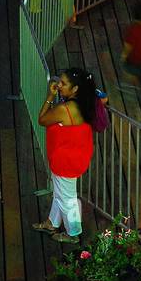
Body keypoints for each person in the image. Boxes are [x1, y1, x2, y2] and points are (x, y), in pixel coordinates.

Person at [33, 69, 97, 243]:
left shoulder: (64, 109)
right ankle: (51, 223)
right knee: (61, 193)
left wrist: (49, 96)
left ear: (75, 89)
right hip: (76, 156)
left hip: (65, 160)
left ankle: (73, 233)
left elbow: (42, 119)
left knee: (67, 198)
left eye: (63, 84)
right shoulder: (85, 103)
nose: (59, 85)